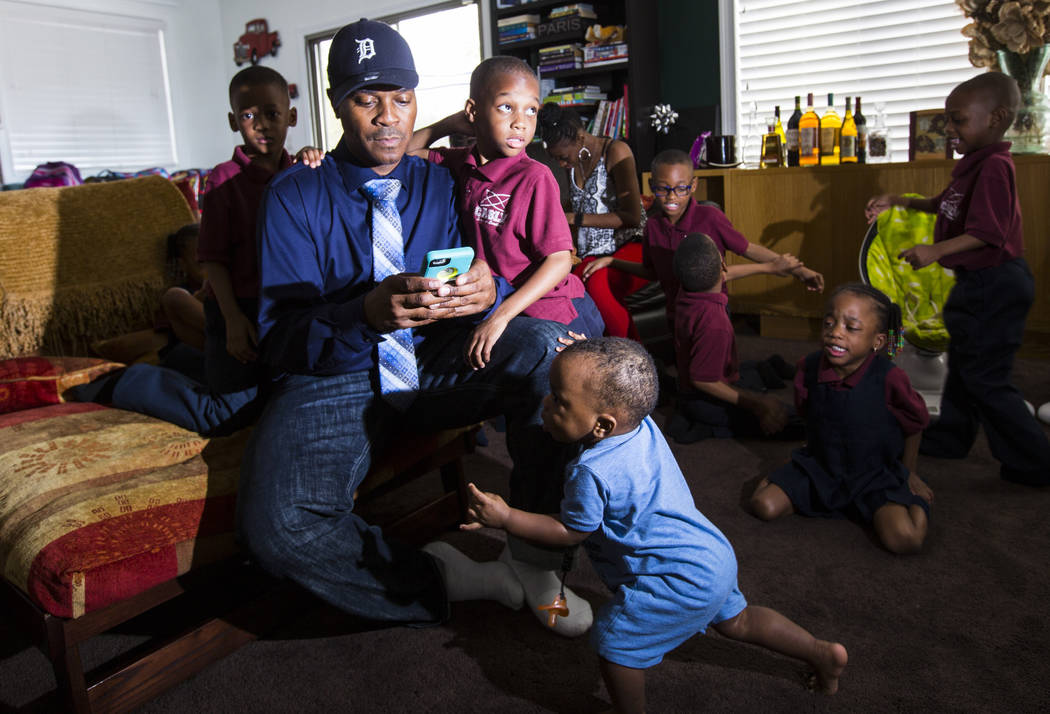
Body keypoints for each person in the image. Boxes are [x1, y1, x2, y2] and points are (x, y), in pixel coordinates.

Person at [234, 19, 594, 637]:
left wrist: (491, 289)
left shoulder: (438, 179)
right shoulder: (296, 194)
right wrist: (362, 313)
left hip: (430, 359)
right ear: (336, 105)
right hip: (335, 375)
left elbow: (482, 252)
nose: (387, 118)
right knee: (277, 530)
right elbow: (280, 339)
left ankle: (534, 561)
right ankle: (453, 579)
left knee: (550, 354)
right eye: (366, 99)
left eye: (401, 99)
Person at [463, 338, 848, 713]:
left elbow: (571, 531)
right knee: (740, 620)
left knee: (615, 646)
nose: (545, 404)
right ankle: (821, 652)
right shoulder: (640, 423)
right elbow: (624, 385)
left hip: (674, 580)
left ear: (602, 425)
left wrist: (507, 517)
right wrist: (591, 357)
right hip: (711, 555)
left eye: (559, 401)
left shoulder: (590, 472)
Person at [74, 66, 322, 435]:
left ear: (292, 116)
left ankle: (178, 356)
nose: (262, 125)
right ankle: (125, 382)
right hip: (237, 311)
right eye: (249, 115)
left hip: (284, 315)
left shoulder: (303, 171)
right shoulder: (224, 179)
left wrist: (312, 157)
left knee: (275, 399)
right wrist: (234, 322)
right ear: (233, 121)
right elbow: (214, 260)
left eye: (272, 114)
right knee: (222, 414)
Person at [866, 72, 1050, 486]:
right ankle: (951, 437)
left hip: (997, 284)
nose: (948, 129)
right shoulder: (973, 166)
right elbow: (942, 206)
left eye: (958, 120)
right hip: (977, 282)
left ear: (997, 118)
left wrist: (934, 252)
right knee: (966, 367)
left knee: (987, 378)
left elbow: (989, 232)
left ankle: (1036, 461)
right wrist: (898, 201)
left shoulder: (996, 168)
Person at [407, 56, 603, 368]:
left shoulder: (534, 176)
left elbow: (560, 260)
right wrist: (446, 124)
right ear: (473, 111)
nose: (520, 122)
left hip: (554, 313)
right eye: (506, 107)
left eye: (531, 110)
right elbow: (400, 153)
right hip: (507, 309)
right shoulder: (461, 163)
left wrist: (499, 317)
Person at [750, 284, 933, 554]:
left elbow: (915, 425)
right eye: (829, 323)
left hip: (874, 475)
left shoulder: (890, 378)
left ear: (878, 341)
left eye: (851, 327)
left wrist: (910, 474)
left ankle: (912, 503)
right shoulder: (809, 368)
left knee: (906, 539)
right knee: (762, 506)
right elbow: (809, 415)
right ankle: (793, 479)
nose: (835, 332)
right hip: (823, 468)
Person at [593, 149, 824, 332]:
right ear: (652, 187)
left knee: (714, 373)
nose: (672, 197)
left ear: (693, 186)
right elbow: (652, 272)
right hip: (676, 313)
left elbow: (748, 248)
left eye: (681, 189)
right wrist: (612, 261)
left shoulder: (710, 218)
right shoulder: (652, 226)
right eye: (663, 189)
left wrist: (800, 271)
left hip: (713, 314)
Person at [666, 233, 802, 444]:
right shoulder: (715, 324)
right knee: (795, 421)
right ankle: (708, 425)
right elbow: (702, 380)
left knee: (752, 374)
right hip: (703, 399)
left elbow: (724, 275)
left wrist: (769, 268)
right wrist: (757, 404)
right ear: (723, 264)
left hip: (699, 381)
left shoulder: (686, 288)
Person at [536, 104, 649, 341]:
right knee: (568, 286)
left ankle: (633, 360)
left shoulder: (616, 151)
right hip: (592, 253)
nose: (562, 165)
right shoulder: (574, 160)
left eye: (563, 158)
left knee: (596, 284)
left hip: (631, 246)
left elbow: (632, 217)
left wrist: (574, 219)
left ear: (580, 137)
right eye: (556, 159)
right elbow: (578, 205)